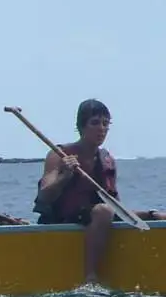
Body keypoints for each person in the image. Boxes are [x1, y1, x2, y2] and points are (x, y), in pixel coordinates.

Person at [32, 99, 166, 283]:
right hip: (64, 217)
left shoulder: (107, 159)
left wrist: (152, 214)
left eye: (105, 124)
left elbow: (117, 208)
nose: (101, 129)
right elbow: (44, 195)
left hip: (97, 215)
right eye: (95, 123)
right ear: (81, 126)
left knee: (158, 215)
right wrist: (65, 176)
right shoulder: (59, 154)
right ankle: (90, 277)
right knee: (103, 211)